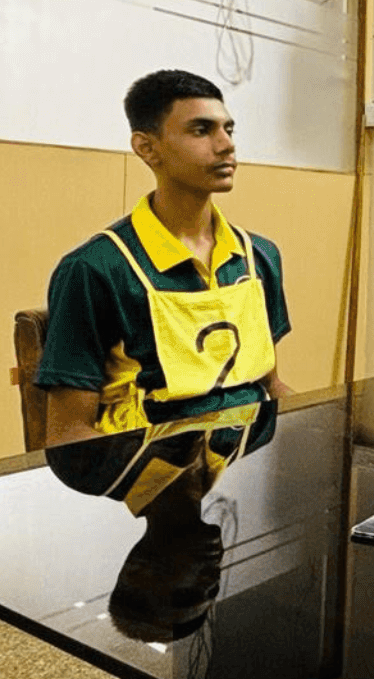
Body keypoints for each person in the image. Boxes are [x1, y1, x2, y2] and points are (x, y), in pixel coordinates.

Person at [35, 69, 289, 512]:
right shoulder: (96, 269)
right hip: (151, 489)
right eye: (201, 130)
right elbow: (68, 435)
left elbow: (269, 383)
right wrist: (166, 505)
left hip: (250, 482)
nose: (227, 144)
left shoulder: (258, 256)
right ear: (146, 147)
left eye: (228, 128)